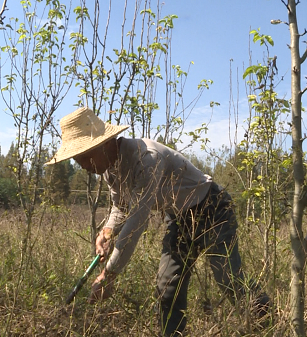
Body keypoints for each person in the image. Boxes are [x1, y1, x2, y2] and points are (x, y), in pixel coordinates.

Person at [47, 107, 270, 336]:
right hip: (179, 218)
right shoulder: (108, 169)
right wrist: (107, 231)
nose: (82, 165)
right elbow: (121, 207)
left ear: (104, 144)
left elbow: (137, 219)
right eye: (77, 159)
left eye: (84, 157)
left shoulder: (146, 159)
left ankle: (266, 319)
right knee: (167, 285)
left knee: (227, 276)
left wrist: (109, 274)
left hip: (213, 208)